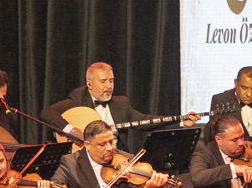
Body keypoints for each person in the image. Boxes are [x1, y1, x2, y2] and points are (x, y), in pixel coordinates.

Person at [44, 60, 194, 149]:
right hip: (88, 161)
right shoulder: (78, 99)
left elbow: (146, 121)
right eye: (103, 81)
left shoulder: (121, 104)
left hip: (117, 157)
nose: (109, 86)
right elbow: (48, 113)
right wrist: (72, 130)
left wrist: (180, 120)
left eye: (111, 81)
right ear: (89, 84)